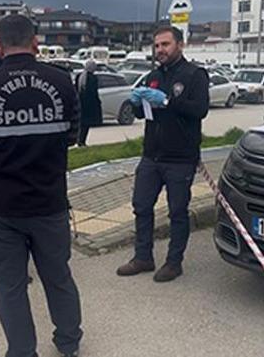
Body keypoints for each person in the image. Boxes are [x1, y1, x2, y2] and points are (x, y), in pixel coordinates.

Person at [0, 14, 83, 357]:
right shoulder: (62, 82)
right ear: (35, 42)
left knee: (10, 289)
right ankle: (69, 342)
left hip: (0, 208)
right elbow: (72, 135)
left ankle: (23, 351)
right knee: (58, 278)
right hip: (49, 203)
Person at [116, 26, 210, 283]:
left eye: (165, 44)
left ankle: (173, 262)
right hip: (152, 156)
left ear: (180, 45)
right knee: (141, 206)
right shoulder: (153, 76)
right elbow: (142, 114)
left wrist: (167, 101)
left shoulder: (195, 75)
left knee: (177, 212)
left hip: (180, 158)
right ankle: (143, 257)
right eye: (157, 46)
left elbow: (200, 110)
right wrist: (136, 102)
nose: (160, 50)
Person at [76, 60, 102, 146]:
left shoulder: (79, 76)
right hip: (89, 104)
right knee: (86, 124)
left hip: (80, 103)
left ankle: (79, 140)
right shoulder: (93, 78)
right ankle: (82, 141)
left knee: (81, 123)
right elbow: (93, 92)